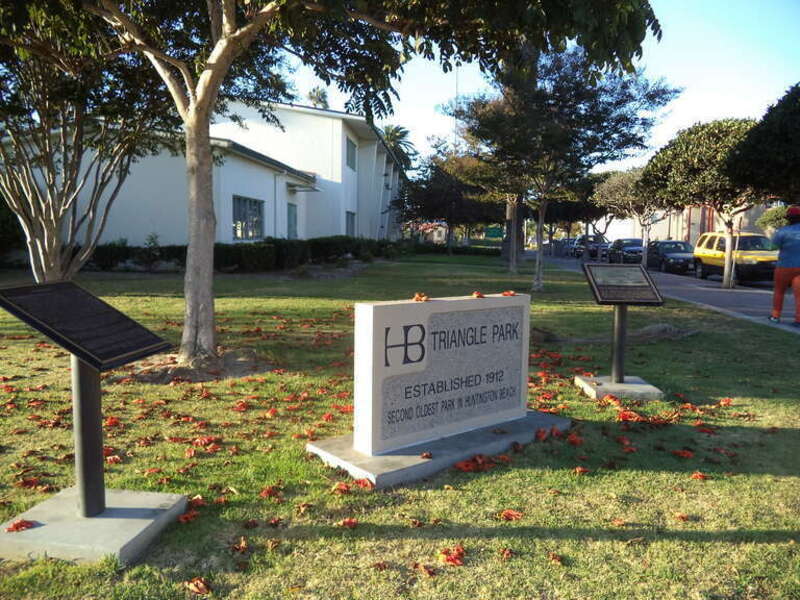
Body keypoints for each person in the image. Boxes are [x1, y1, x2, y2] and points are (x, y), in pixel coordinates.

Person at [769, 204, 800, 327]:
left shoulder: (782, 231)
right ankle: (798, 320)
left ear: (788, 218)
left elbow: (773, 247)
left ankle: (775, 316)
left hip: (784, 265)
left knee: (779, 291)